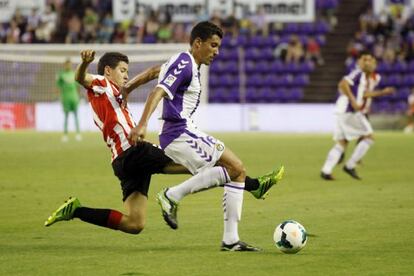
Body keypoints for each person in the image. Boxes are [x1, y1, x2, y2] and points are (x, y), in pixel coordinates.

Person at [45, 50, 282, 239]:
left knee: (135, 223)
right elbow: (80, 78)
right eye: (123, 70)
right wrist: (85, 63)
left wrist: (159, 73)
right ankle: (253, 186)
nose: (126, 75)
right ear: (108, 71)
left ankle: (76, 210)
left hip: (122, 163)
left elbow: (153, 72)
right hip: (135, 151)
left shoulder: (117, 92)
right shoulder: (101, 84)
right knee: (207, 164)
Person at [129, 21, 284, 251]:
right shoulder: (185, 62)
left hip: (180, 132)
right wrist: (142, 124)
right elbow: (158, 90)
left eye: (218, 46)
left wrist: (127, 88)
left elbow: (154, 72)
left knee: (236, 173)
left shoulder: (183, 63)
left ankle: (231, 240)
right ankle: (172, 195)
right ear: (198, 43)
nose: (216, 51)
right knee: (236, 168)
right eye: (213, 45)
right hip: (178, 131)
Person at [320, 53, 395, 180]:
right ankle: (350, 165)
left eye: (371, 60)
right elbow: (342, 84)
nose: (368, 63)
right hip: (349, 110)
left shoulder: (364, 77)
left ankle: (326, 170)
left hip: (342, 110)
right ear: (360, 62)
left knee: (342, 142)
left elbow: (361, 93)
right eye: (365, 60)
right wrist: (353, 100)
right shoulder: (358, 73)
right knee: (369, 137)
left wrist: (379, 93)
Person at [56, 58, 81, 142]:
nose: (68, 65)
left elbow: (78, 87)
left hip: (74, 98)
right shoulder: (61, 75)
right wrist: (60, 97)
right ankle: (65, 134)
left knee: (76, 116)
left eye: (69, 64)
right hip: (65, 98)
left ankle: (78, 133)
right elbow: (58, 87)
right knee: (66, 117)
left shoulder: (74, 74)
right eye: (67, 64)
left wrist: (79, 97)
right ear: (65, 65)